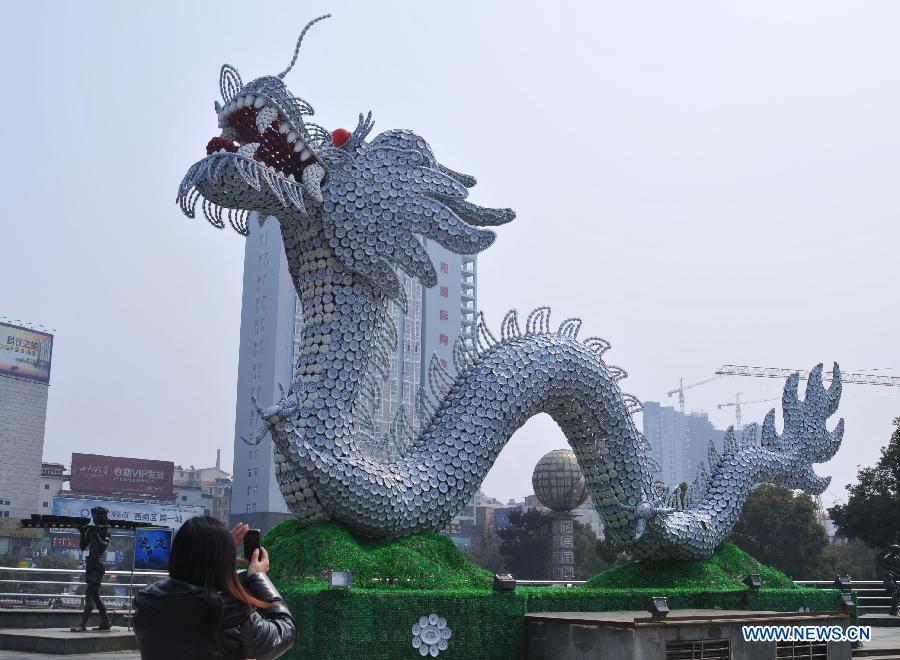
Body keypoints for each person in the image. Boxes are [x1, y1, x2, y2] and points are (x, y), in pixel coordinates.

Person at [134, 517, 295, 659]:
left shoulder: (147, 609)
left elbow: (187, 579)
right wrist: (258, 576)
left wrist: (217, 554)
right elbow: (285, 631)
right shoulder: (236, 618)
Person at [71, 506, 111, 632]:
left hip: (98, 566)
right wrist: (83, 532)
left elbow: (104, 545)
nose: (94, 518)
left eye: (96, 516)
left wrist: (97, 534)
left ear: (102, 517)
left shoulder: (105, 530)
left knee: (89, 595)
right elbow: (83, 546)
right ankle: (105, 621)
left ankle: (82, 624)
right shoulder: (93, 529)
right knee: (95, 597)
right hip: (90, 564)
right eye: (93, 516)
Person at [884, 544, 900, 617]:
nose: (897, 551)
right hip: (887, 577)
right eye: (896, 549)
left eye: (898, 549)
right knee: (895, 592)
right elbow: (885, 569)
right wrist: (893, 574)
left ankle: (892, 610)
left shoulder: (897, 558)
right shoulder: (886, 558)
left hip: (894, 578)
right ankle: (895, 610)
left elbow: (897, 568)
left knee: (898, 592)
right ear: (892, 550)